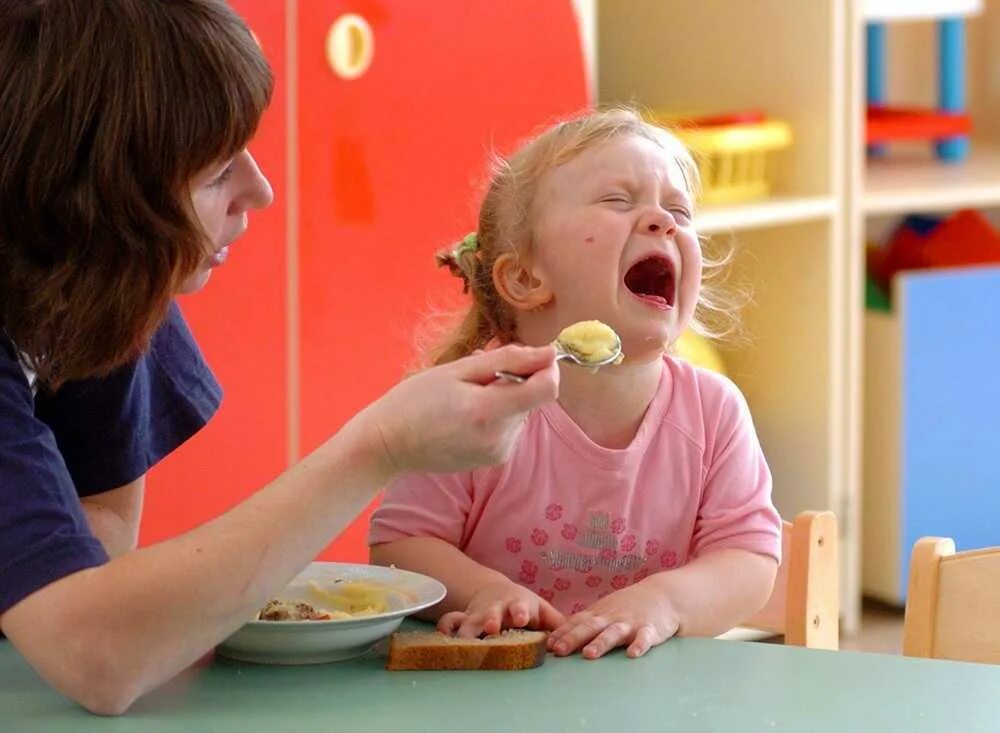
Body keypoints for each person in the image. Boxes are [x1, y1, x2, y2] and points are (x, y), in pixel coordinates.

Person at [0, 0, 558, 715]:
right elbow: (100, 656)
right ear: (96, 200)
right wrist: (378, 446)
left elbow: (96, 538)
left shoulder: (101, 276)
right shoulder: (113, 253)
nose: (259, 191)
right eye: (215, 172)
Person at [369, 108, 781, 661]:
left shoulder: (713, 411)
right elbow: (400, 546)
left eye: (678, 210)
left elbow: (748, 560)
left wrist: (665, 602)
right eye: (618, 200)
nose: (664, 221)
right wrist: (484, 592)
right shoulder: (475, 404)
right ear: (525, 277)